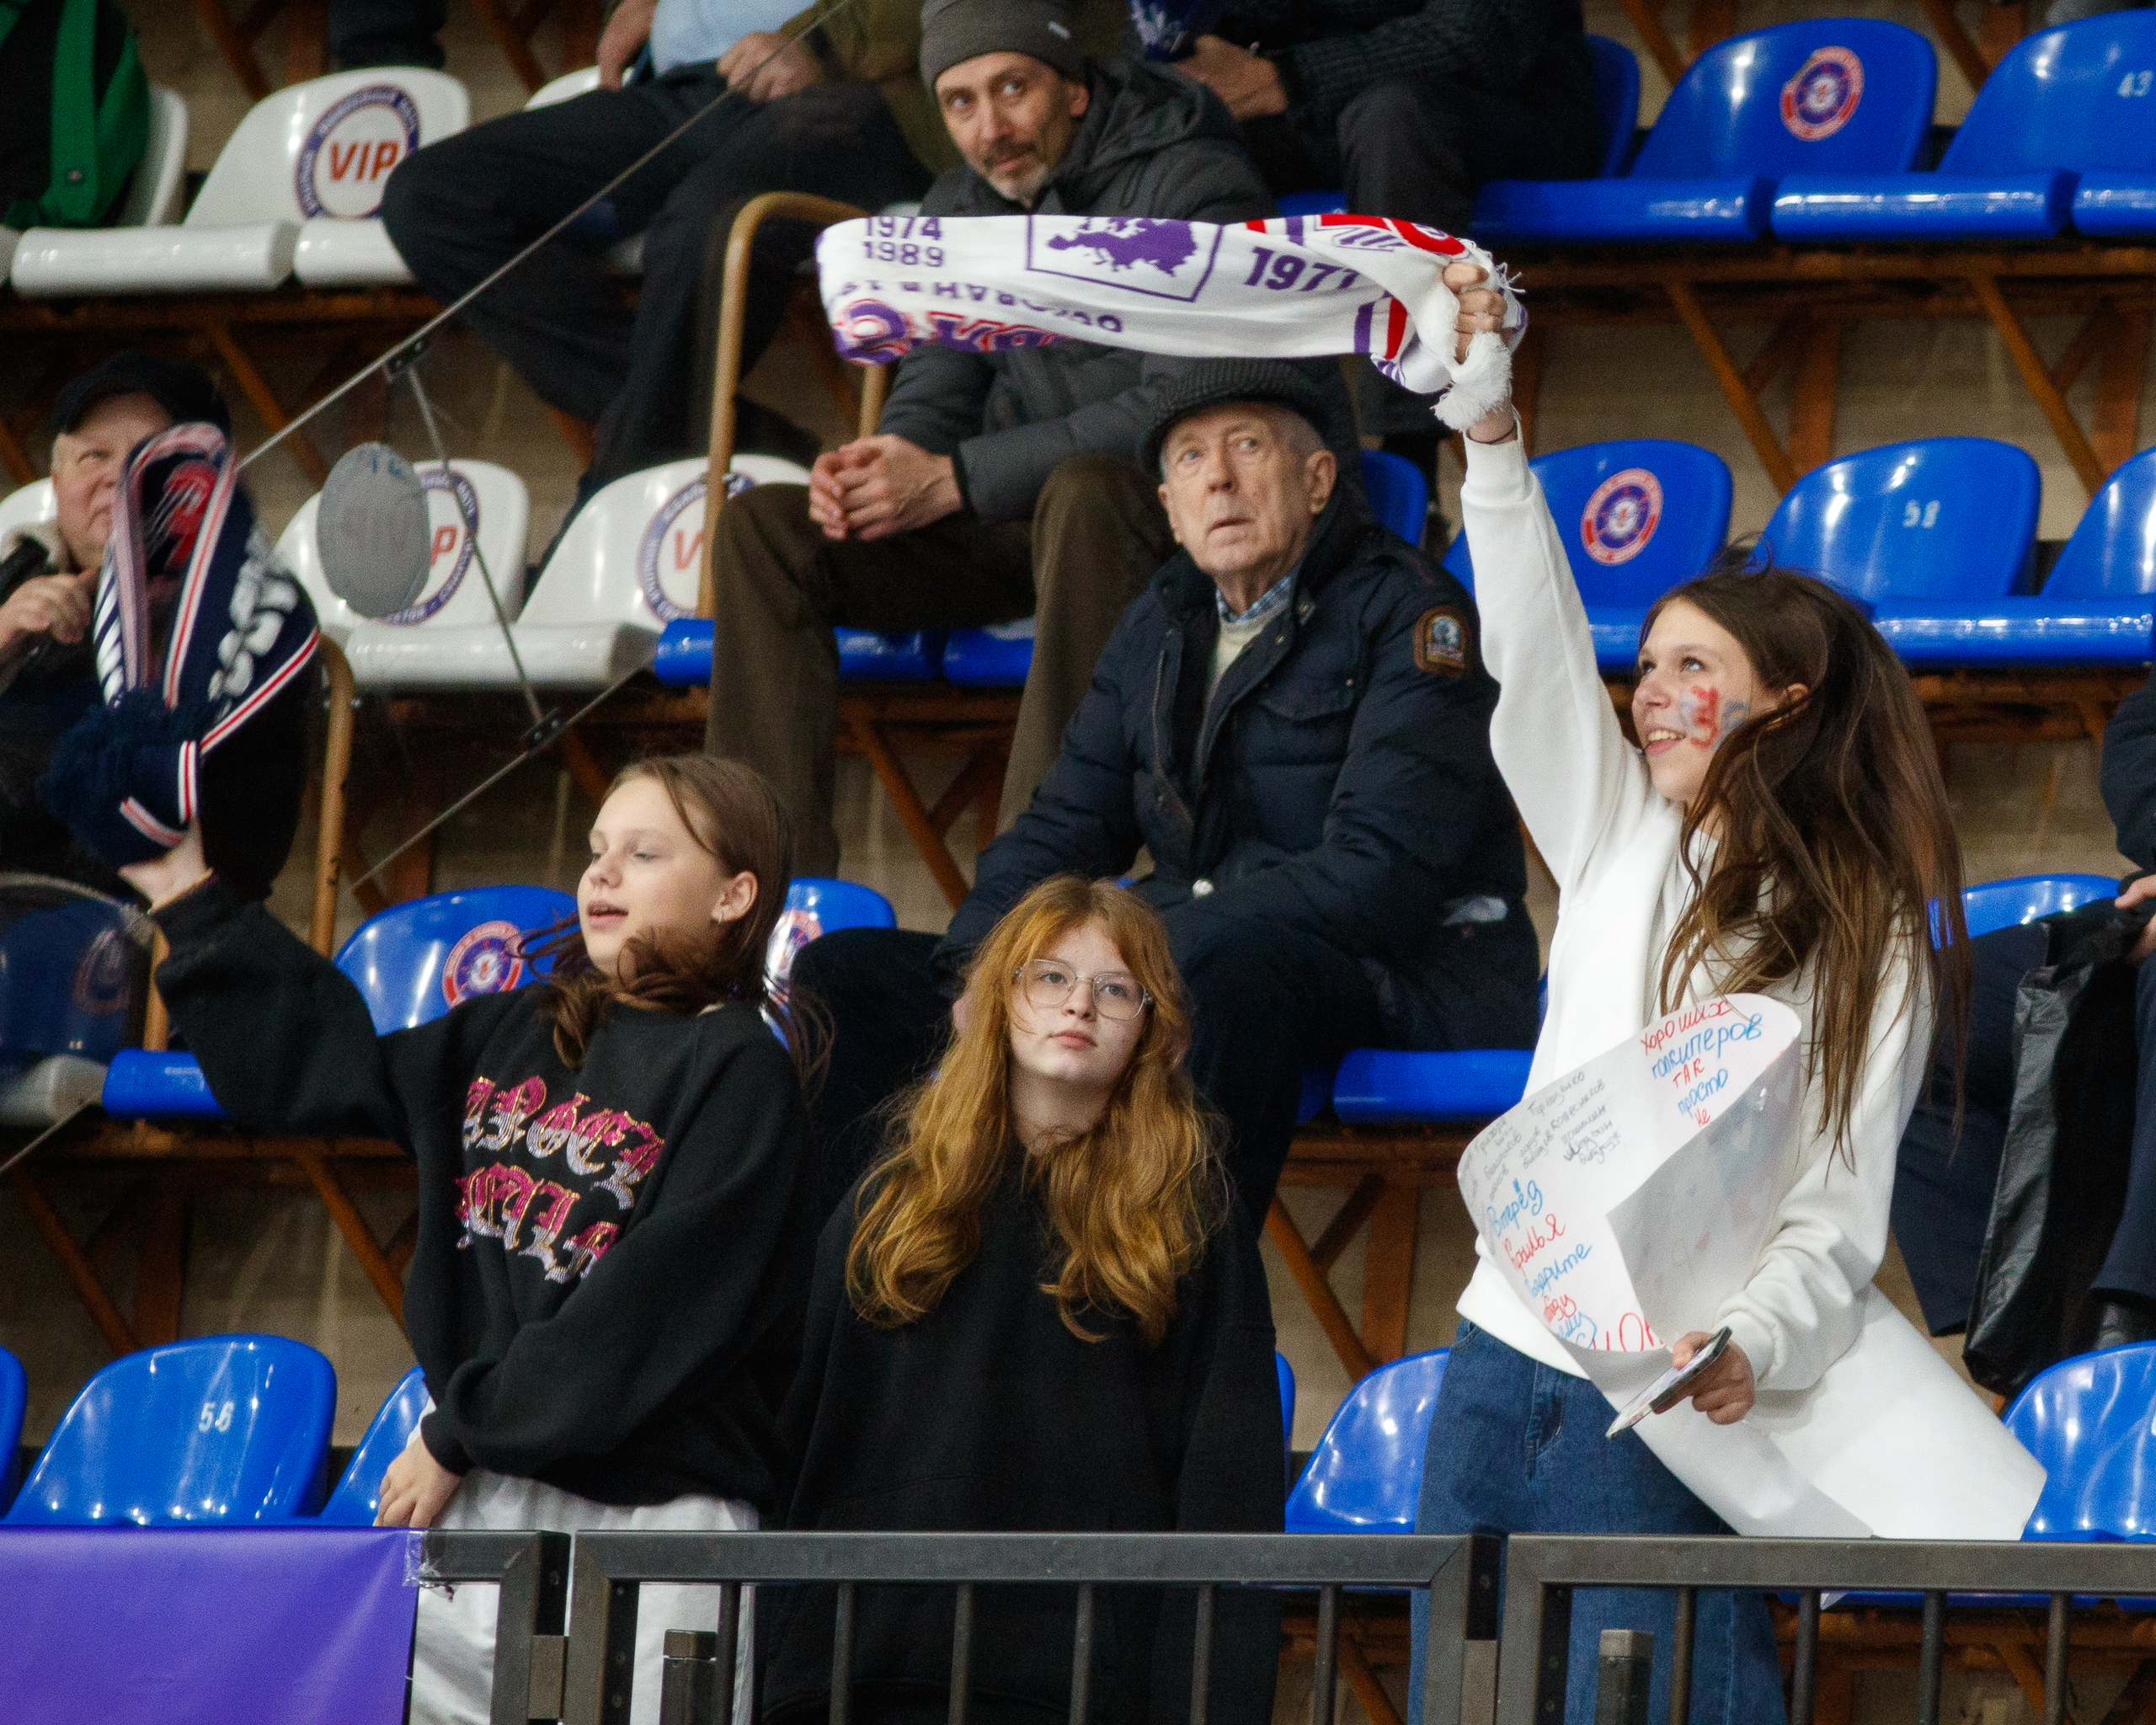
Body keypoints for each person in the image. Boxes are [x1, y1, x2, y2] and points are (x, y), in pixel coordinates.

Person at [1407, 261, 1972, 1725]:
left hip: (1663, 1401)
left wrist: (1751, 1343)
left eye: (1693, 665)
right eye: (1647, 661)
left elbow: (1835, 1212)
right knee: (1458, 1700)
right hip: (1495, 1355)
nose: (1650, 691)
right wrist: (1493, 442)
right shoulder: (1616, 832)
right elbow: (1534, 660)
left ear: (1786, 700)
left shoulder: (1868, 935)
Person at [116, 755, 819, 1725]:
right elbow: (326, 1061)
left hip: (649, 1518)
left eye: (645, 851)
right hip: (480, 1490)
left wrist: (459, 1430)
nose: (602, 871)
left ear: (734, 895)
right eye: (597, 848)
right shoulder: (517, 1031)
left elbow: (643, 1316)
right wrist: (189, 901)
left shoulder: (741, 1071)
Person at [793, 359, 1534, 1227]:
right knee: (847, 976)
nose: (1217, 477)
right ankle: (863, 1278)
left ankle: (1166, 1288)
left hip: (1406, 975)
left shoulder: (1412, 612)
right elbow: (1063, 826)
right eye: (1188, 458)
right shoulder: (1161, 618)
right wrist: (982, 968)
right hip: (1192, 952)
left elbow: (1378, 878)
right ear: (1169, 509)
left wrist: (1137, 950)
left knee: (1220, 972)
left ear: (1318, 479)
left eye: (1246, 446)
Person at [704, 0, 1288, 868]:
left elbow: (1183, 410)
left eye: (1013, 88)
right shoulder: (959, 206)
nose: (991, 128)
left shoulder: (1193, 182)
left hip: (1170, 527)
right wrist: (889, 461)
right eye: (961, 102)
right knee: (766, 531)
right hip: (1014, 516)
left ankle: (1036, 880)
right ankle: (752, 887)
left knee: (1087, 490)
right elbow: (937, 385)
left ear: (1075, 89)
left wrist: (957, 479)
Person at [766, 876, 1281, 1725]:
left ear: (1150, 1028)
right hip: (860, 1666)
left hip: (1081, 1686)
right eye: (1050, 976)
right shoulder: (886, 1203)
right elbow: (795, 1441)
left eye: (1115, 988)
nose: (1079, 1003)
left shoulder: (1192, 1222)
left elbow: (1229, 1495)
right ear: (996, 1001)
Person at [380, 0, 1120, 500]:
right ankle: (721, 431)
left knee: (707, 224)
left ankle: (616, 480)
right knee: (431, 196)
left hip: (864, 94)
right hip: (695, 83)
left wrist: (818, 42)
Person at [0, 352, 303, 900]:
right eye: (94, 455)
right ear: (57, 482)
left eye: (150, 455)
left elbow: (246, 839)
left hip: (142, 917)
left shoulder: (255, 614)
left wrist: (154, 633)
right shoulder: (12, 576)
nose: (119, 476)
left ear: (207, 479)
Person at [1164, 0, 1601, 238]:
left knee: (1394, 115)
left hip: (1513, 109)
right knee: (1173, 132)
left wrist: (1286, 78)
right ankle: (1216, 376)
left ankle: (1415, 375)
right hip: (1330, 111)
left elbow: (1479, 38)